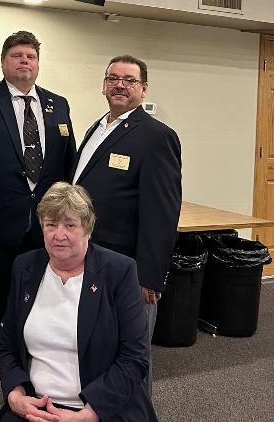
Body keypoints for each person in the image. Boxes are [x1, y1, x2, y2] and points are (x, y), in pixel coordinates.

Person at [0, 31, 76, 422]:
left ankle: (31, 390)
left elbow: (66, 169)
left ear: (39, 63)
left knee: (38, 317)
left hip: (43, 236)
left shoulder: (58, 105)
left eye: (31, 56)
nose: (25, 62)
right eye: (17, 56)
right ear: (4, 62)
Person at [0, 182, 156, 422]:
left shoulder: (119, 271)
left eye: (70, 225)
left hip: (100, 409)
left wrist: (89, 415)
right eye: (51, 224)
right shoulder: (25, 267)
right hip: (35, 407)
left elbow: (134, 358)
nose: (59, 235)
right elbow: (8, 345)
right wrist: (15, 394)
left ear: (88, 230)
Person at [71, 55, 182, 362]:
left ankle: (136, 411)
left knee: (130, 355)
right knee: (97, 347)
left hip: (128, 267)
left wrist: (150, 275)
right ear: (104, 86)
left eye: (129, 80)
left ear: (143, 89)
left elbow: (162, 213)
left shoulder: (157, 136)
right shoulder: (97, 128)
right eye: (112, 79)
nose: (119, 85)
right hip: (90, 258)